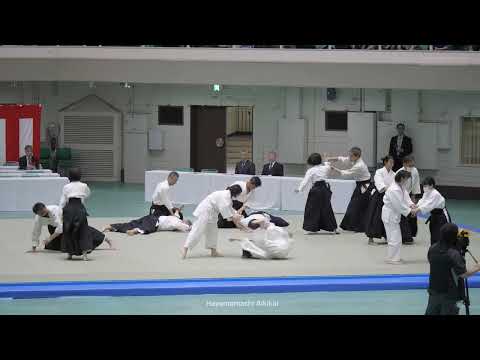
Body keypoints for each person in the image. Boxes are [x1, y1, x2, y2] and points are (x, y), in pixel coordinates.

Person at [425, 223, 480, 315]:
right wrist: (477, 267)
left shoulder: (432, 248)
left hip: (434, 290)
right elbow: (464, 274)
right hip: (449, 294)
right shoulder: (453, 254)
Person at [182, 185, 243, 259]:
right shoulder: (225, 196)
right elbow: (226, 212)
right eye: (239, 194)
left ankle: (213, 251)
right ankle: (185, 248)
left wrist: (236, 215)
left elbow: (230, 209)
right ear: (236, 193)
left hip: (212, 212)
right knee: (197, 230)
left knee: (213, 232)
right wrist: (236, 219)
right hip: (205, 210)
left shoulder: (228, 196)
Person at [30, 202, 112, 252]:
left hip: (67, 223)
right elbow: (36, 231)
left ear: (45, 207)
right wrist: (34, 246)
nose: (42, 214)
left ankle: (105, 238)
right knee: (54, 246)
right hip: (53, 228)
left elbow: (61, 227)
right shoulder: (38, 218)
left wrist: (50, 238)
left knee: (83, 231)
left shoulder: (55, 209)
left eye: (43, 211)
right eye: (40, 214)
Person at [327, 147, 372, 233]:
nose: (349, 157)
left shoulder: (360, 165)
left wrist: (333, 169)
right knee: (355, 205)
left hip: (365, 186)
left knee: (358, 205)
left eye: (351, 156)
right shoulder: (354, 159)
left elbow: (346, 173)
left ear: (357, 156)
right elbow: (342, 159)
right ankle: (354, 226)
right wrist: (330, 158)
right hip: (360, 184)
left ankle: (360, 226)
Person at [295, 153, 339, 234]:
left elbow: (305, 181)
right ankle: (333, 228)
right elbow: (327, 164)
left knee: (312, 209)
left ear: (311, 161)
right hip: (325, 189)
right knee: (327, 208)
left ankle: (311, 228)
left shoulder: (311, 170)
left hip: (316, 190)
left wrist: (299, 189)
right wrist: (326, 159)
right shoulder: (325, 168)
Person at [381, 170, 418, 264]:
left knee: (395, 237)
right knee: (394, 238)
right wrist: (410, 212)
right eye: (406, 179)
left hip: (393, 214)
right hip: (390, 215)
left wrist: (411, 205)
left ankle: (393, 257)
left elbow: (406, 197)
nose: (407, 181)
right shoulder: (394, 189)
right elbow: (399, 205)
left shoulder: (400, 186)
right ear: (402, 178)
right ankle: (392, 259)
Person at [59, 168, 92, 261]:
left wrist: (61, 212)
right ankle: (84, 254)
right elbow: (88, 194)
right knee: (83, 230)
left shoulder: (66, 187)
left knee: (68, 230)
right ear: (80, 176)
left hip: (69, 208)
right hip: (80, 208)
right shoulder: (84, 185)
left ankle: (70, 253)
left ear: (69, 176)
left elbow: (63, 200)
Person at [229, 214, 294, 260]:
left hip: (276, 251)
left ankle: (248, 253)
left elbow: (262, 221)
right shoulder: (245, 222)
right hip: (282, 251)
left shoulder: (245, 222)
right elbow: (262, 221)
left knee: (252, 240)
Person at [365, 155, 395, 245]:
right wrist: (389, 189)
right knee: (375, 216)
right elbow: (380, 185)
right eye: (390, 162)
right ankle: (370, 238)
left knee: (387, 217)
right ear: (385, 162)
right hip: (379, 196)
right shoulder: (379, 172)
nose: (392, 164)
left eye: (393, 162)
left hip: (389, 197)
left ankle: (386, 236)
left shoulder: (394, 174)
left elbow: (395, 185)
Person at [415, 177, 451, 245]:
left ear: (431, 185)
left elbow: (428, 205)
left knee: (442, 235)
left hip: (442, 217)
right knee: (434, 235)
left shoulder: (435, 194)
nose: (424, 188)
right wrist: (416, 206)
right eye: (423, 186)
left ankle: (443, 252)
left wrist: (417, 210)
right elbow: (423, 201)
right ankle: (434, 251)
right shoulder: (427, 192)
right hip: (434, 216)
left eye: (425, 186)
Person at [103, 208, 192, 236]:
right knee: (148, 229)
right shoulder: (178, 222)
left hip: (150, 217)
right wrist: (190, 227)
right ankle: (135, 231)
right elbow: (182, 226)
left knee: (131, 223)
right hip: (155, 222)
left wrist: (177, 210)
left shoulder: (174, 217)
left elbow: (176, 213)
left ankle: (112, 226)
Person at [396, 155, 421, 245]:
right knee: (403, 216)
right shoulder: (399, 172)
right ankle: (405, 236)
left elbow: (416, 185)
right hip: (399, 195)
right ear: (404, 164)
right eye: (409, 165)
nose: (411, 167)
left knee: (412, 215)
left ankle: (410, 234)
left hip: (409, 194)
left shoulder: (415, 171)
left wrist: (414, 198)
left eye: (412, 165)